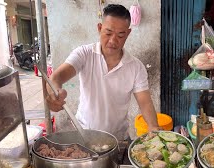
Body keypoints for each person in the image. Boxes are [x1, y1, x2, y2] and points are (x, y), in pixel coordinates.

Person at [46, 4, 160, 140]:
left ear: (128, 34)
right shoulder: (84, 54)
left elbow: (145, 102)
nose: (113, 40)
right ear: (100, 28)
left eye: (120, 35)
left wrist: (153, 127)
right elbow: (57, 77)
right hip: (84, 136)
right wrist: (54, 91)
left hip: (118, 139)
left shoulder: (136, 67)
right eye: (108, 33)